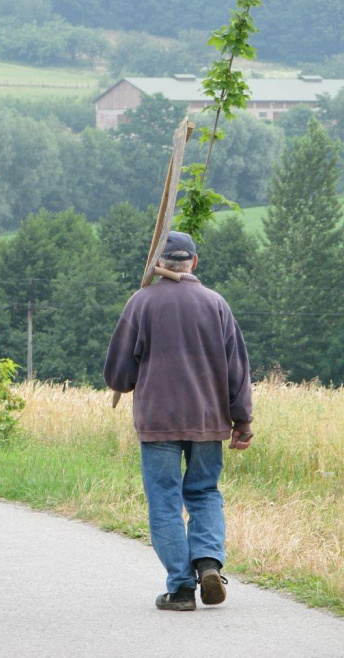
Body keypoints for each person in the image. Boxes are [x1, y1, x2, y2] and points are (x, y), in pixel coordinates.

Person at [104, 231, 253, 611]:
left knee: (165, 501)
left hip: (158, 423)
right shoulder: (216, 304)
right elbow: (237, 370)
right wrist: (243, 421)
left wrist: (126, 380)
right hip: (208, 420)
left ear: (157, 264)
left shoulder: (141, 303)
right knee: (204, 493)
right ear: (194, 263)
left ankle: (182, 589)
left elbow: (118, 376)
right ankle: (207, 561)